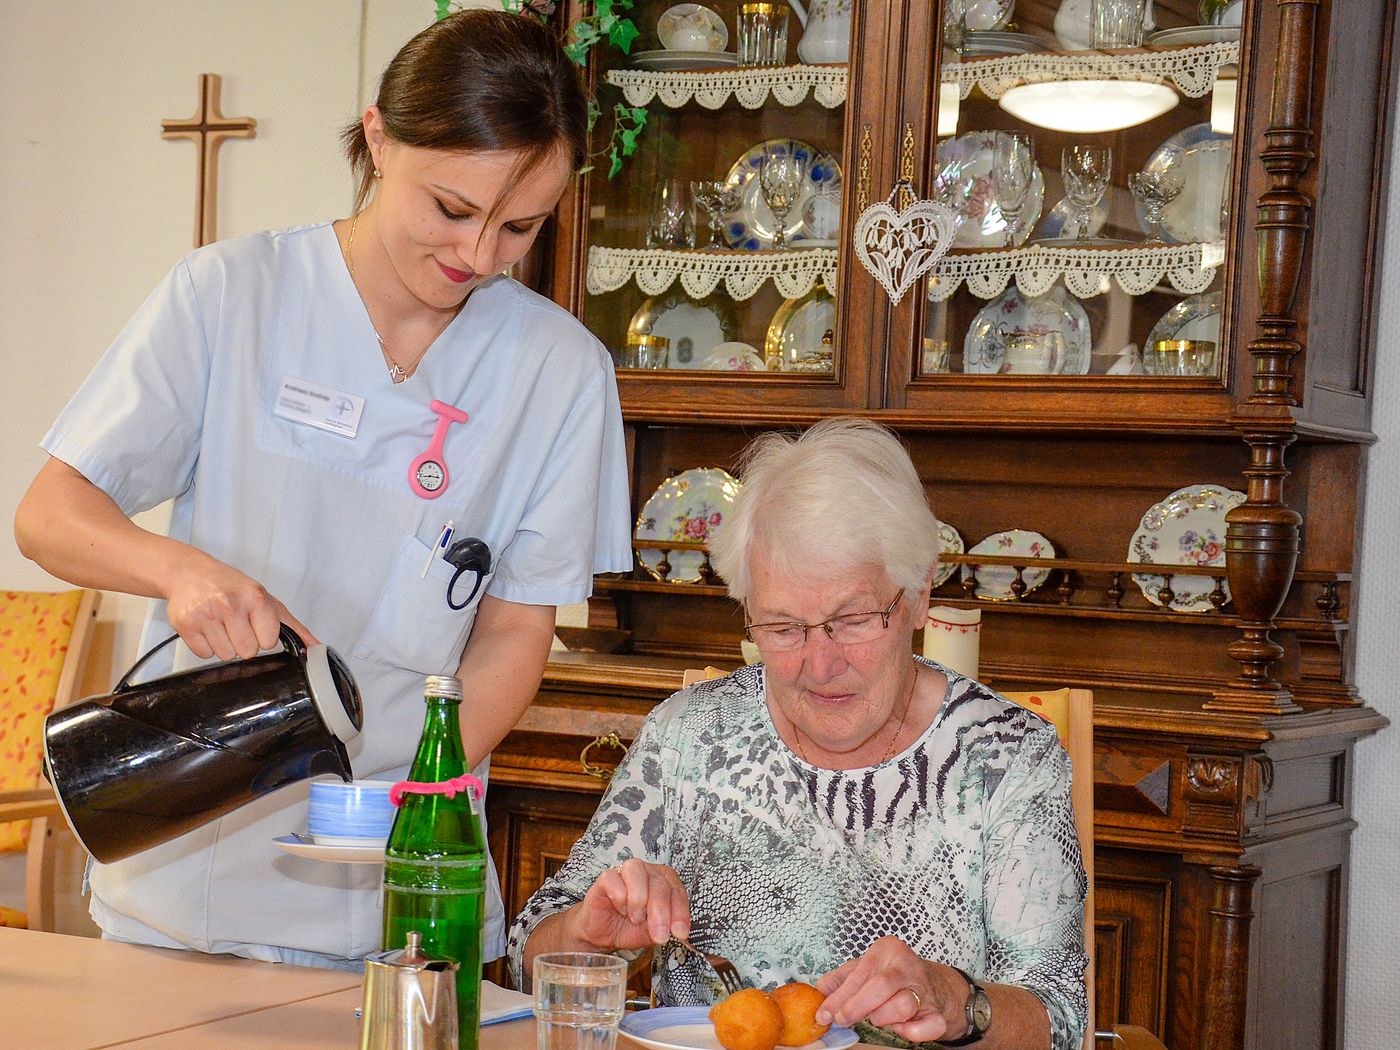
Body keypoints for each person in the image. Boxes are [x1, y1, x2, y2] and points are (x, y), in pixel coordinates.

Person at [13, 10, 630, 969]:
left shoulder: (561, 372)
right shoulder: (230, 296)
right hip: (187, 879)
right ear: (380, 139)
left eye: (521, 226)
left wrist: (414, 793)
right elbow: (51, 516)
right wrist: (181, 572)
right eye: (451, 209)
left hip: (396, 885)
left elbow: (516, 630)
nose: (478, 256)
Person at [507, 419, 1088, 1050]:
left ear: (919, 594)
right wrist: (588, 939)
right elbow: (527, 954)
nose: (819, 664)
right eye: (783, 628)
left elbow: (1058, 1019)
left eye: (853, 619)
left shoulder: (1006, 758)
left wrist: (958, 1002)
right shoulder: (692, 735)